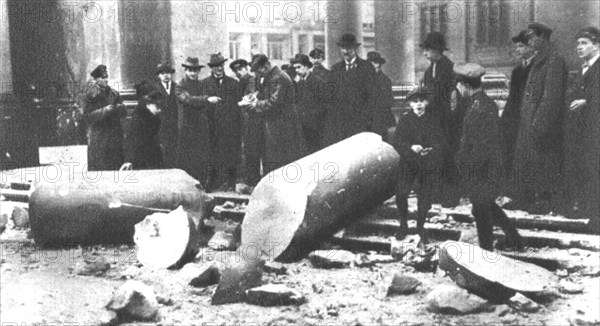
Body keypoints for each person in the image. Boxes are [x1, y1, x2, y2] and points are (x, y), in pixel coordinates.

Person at [454, 63, 523, 251]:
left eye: (458, 86)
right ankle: (515, 240)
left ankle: (486, 250)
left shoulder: (480, 107)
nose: (458, 90)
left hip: (483, 169)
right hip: (484, 167)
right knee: (486, 207)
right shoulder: (482, 103)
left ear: (465, 86)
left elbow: (481, 146)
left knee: (482, 210)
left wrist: (468, 169)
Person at [512, 22, 568, 213]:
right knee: (531, 164)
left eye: (532, 37)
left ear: (542, 37)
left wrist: (538, 124)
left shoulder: (553, 61)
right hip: (529, 124)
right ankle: (531, 199)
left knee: (545, 164)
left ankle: (545, 202)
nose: (529, 40)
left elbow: (550, 99)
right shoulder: (538, 61)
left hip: (542, 127)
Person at [393, 87, 446, 243]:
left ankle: (420, 227)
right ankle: (403, 225)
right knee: (401, 194)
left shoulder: (434, 120)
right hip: (408, 163)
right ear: (410, 104)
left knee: (424, 197)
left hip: (426, 164)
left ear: (426, 102)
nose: (418, 104)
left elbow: (441, 141)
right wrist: (411, 148)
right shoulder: (405, 120)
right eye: (415, 101)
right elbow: (397, 142)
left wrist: (431, 150)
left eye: (421, 101)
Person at [563, 27, 600, 232]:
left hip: (595, 129)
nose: (579, 48)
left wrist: (587, 101)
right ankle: (588, 210)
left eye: (584, 43)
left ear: (596, 45)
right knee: (586, 169)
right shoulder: (583, 68)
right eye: (578, 44)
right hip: (582, 131)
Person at [419, 31, 460, 207]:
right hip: (433, 122)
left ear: (437, 50)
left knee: (448, 157)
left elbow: (452, 97)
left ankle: (450, 196)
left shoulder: (450, 69)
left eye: (428, 50)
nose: (425, 53)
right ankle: (437, 193)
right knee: (435, 156)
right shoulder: (429, 71)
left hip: (448, 122)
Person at [246, 54, 305, 174]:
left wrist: (256, 104)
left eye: (259, 71)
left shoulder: (279, 77)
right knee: (273, 159)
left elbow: (274, 102)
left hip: (283, 126)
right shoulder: (271, 76)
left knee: (281, 161)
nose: (258, 75)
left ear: (267, 66)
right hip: (275, 126)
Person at [322, 33, 377, 146]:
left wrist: (365, 118)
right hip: (341, 123)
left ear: (355, 49)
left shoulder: (367, 67)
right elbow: (330, 96)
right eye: (342, 48)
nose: (345, 51)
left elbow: (372, 96)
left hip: (360, 122)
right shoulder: (336, 69)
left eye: (348, 48)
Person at [199, 53, 243, 191]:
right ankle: (212, 181)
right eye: (215, 66)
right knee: (212, 154)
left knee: (231, 153)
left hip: (230, 125)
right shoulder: (204, 84)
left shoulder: (233, 83)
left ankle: (231, 181)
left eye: (221, 65)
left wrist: (237, 126)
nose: (219, 68)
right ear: (211, 68)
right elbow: (202, 106)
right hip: (212, 126)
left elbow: (238, 106)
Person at [501, 31, 535, 176]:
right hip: (514, 117)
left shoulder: (536, 68)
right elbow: (512, 98)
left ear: (530, 47)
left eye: (521, 46)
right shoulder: (517, 70)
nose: (517, 50)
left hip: (527, 117)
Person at [81, 64, 126, 171]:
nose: (106, 80)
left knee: (115, 167)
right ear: (96, 79)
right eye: (102, 78)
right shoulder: (89, 95)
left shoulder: (114, 94)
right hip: (99, 136)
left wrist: (119, 108)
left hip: (114, 135)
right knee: (99, 168)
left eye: (106, 77)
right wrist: (105, 111)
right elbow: (87, 116)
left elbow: (124, 111)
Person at [175, 57, 211, 185]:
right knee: (187, 158)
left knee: (201, 157)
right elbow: (188, 100)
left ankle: (201, 184)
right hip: (187, 127)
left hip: (200, 127)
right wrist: (206, 99)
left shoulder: (202, 85)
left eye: (195, 70)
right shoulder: (180, 86)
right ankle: (188, 186)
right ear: (185, 70)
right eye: (190, 70)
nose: (193, 73)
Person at [231, 59, 263, 187]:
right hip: (243, 122)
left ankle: (253, 180)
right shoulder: (240, 82)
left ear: (246, 69)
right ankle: (249, 179)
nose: (238, 73)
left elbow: (249, 100)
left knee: (253, 150)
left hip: (253, 121)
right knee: (247, 150)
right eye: (236, 71)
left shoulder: (252, 81)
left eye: (240, 69)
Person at [291, 53, 327, 154]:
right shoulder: (299, 84)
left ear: (306, 66)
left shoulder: (317, 82)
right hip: (303, 128)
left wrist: (311, 117)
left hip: (316, 128)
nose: (297, 70)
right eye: (295, 68)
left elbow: (324, 105)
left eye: (299, 67)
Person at [127, 81, 165, 170]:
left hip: (153, 153)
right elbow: (133, 139)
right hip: (142, 156)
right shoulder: (139, 114)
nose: (159, 110)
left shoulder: (151, 112)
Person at [154, 62, 179, 168]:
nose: (166, 75)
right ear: (159, 75)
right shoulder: (154, 89)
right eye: (162, 73)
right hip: (161, 127)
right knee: (163, 153)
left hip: (176, 126)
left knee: (176, 153)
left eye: (168, 73)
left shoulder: (177, 87)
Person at [366, 51, 395, 142]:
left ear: (379, 64)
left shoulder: (385, 80)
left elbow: (387, 101)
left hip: (381, 119)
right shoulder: (365, 79)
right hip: (368, 118)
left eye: (374, 63)